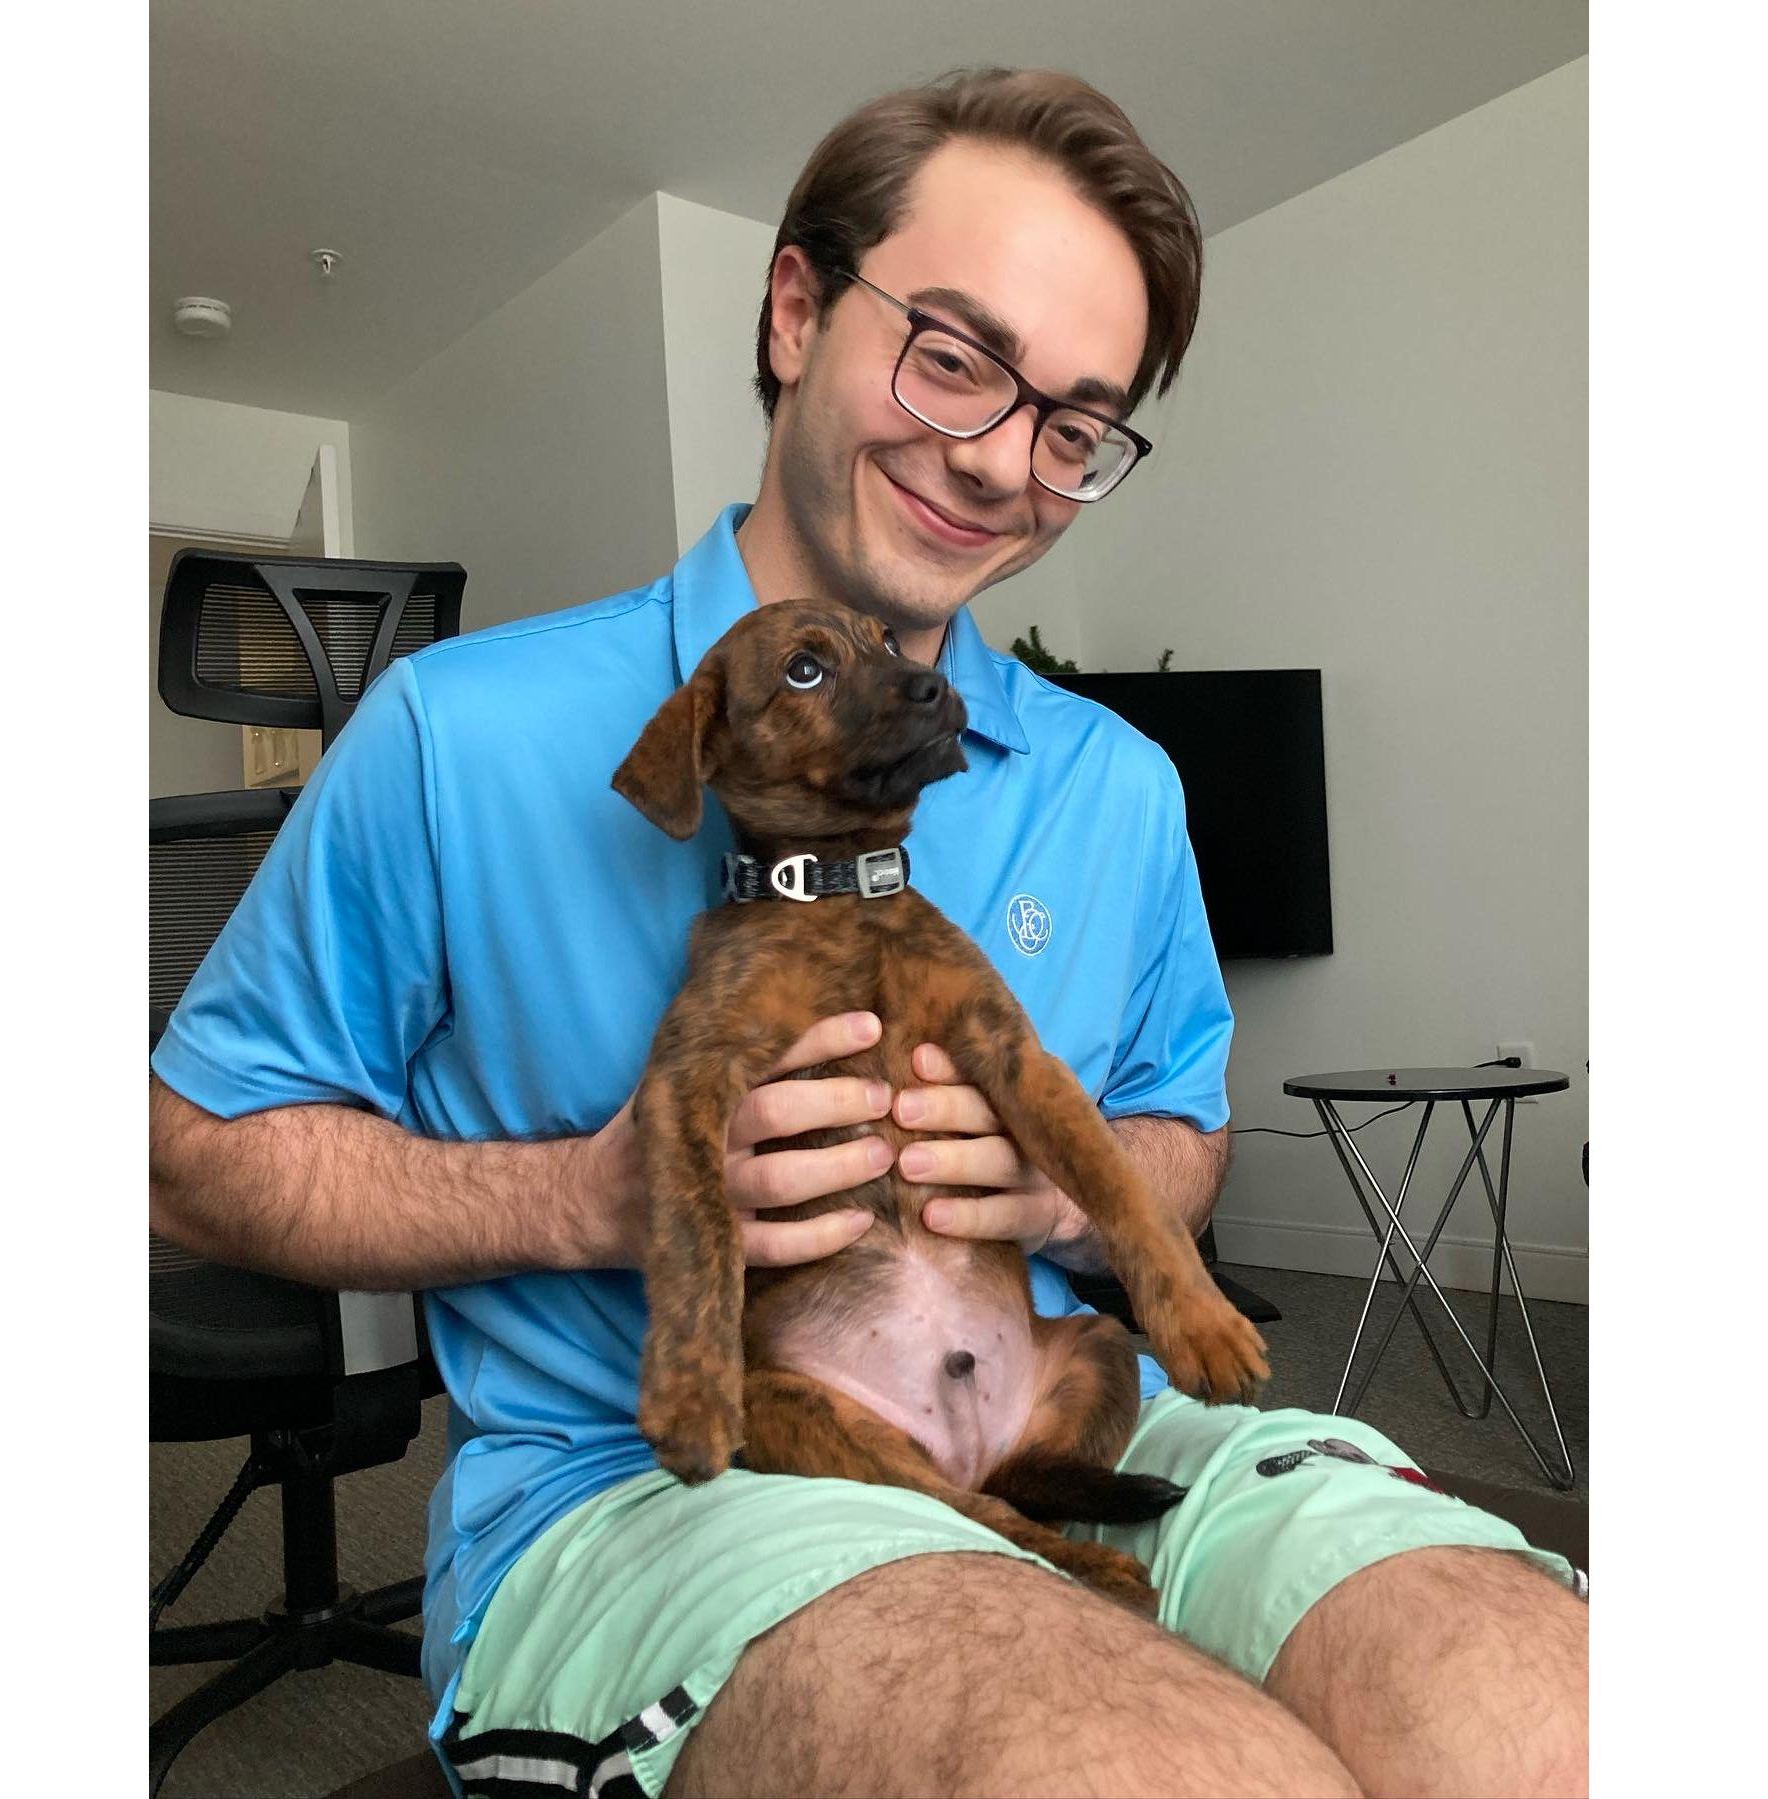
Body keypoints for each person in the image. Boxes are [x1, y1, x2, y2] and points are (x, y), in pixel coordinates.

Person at [150, 67, 1588, 1799]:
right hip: (649, 1487)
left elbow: (1183, 1131)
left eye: (1074, 427)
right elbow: (184, 1158)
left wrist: (1063, 1194)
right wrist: (581, 1199)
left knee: (1555, 1719)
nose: (999, 463)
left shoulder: (1121, 786)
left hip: (1060, 1400)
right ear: (794, 310)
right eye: (955, 356)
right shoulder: (455, 736)